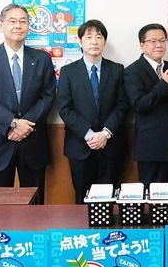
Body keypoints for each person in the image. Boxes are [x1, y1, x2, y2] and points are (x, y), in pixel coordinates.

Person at [0, 3, 55, 204]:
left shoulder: (42, 58)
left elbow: (48, 95)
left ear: (28, 26)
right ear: (1, 25)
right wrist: (13, 122)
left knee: (35, 206)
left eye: (23, 21)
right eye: (12, 21)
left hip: (33, 141)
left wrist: (25, 125)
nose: (18, 25)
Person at [57, 19, 129, 203]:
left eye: (99, 37)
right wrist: (89, 134)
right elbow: (65, 108)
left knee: (110, 199)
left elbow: (122, 106)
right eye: (89, 37)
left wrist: (105, 134)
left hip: (111, 145)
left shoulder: (117, 70)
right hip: (80, 146)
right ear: (80, 41)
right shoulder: (68, 72)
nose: (94, 41)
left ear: (105, 41)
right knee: (82, 198)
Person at [124, 23, 168, 188]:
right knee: (151, 193)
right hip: (150, 144)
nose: (159, 45)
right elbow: (140, 105)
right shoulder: (132, 71)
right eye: (153, 41)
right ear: (142, 45)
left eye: (162, 40)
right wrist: (164, 84)